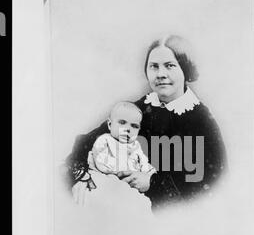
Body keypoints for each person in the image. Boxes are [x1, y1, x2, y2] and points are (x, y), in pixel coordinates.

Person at [66, 35, 227, 211]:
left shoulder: (201, 121)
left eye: (170, 65)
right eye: (154, 67)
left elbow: (213, 185)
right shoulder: (139, 110)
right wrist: (80, 177)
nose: (160, 74)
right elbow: (85, 144)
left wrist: (152, 183)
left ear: (185, 69)